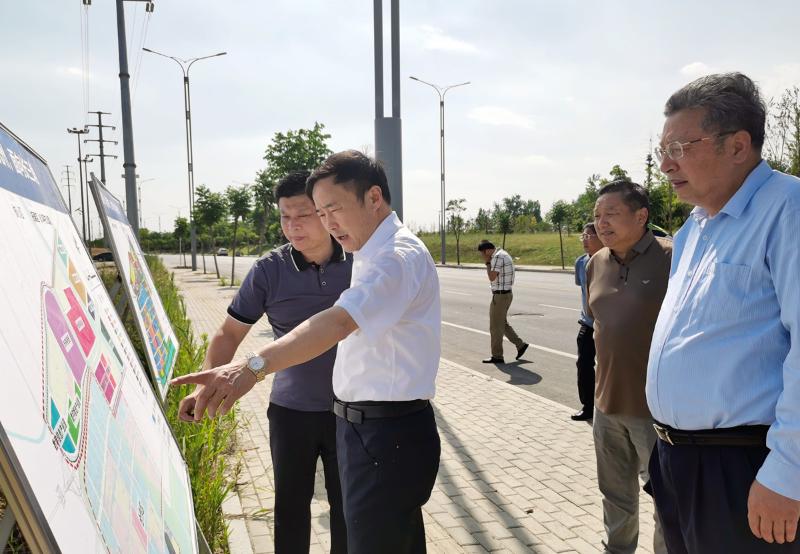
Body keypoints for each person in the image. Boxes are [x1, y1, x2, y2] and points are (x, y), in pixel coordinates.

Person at [172, 150, 441, 554]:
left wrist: (248, 370)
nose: (326, 222)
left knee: (363, 536)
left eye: (331, 209)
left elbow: (335, 323)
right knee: (311, 516)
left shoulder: (393, 259)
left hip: (387, 432)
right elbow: (229, 331)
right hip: (340, 420)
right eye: (320, 211)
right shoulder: (358, 254)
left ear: (373, 198)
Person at [646, 72, 800, 553]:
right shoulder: (695, 228)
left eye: (680, 147)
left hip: (746, 468)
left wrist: (788, 472)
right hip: (676, 462)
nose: (665, 164)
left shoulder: (787, 210)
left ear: (738, 146)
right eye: (661, 150)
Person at [192, 170, 350, 553]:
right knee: (291, 508)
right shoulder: (269, 270)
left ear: (327, 213)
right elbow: (229, 333)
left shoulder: (359, 261)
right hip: (291, 411)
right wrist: (206, 387)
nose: (292, 226)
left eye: (303, 214)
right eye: (284, 216)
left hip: (351, 409)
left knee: (348, 510)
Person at [587, 180, 670, 554]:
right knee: (615, 497)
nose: (601, 223)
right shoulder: (595, 263)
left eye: (611, 214)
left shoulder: (673, 256)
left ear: (641, 216)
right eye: (597, 216)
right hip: (606, 408)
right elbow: (599, 329)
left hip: (657, 412)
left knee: (668, 502)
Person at [571, 222, 603, 422]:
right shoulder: (581, 263)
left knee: (610, 368)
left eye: (589, 235)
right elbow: (582, 288)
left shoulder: (611, 259)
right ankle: (587, 406)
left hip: (609, 325)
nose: (585, 239)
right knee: (583, 364)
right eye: (583, 235)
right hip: (588, 323)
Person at [477, 240, 529, 364]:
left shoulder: (497, 257)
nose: (483, 256)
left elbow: (492, 277)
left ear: (487, 250)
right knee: (501, 324)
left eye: (483, 254)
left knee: (495, 327)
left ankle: (497, 356)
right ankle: (520, 345)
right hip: (506, 294)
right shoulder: (503, 254)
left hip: (500, 296)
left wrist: (488, 263)